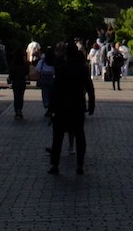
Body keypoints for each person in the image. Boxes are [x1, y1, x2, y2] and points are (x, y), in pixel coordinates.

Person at [47, 39, 95, 174]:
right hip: (77, 106)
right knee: (80, 135)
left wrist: (51, 107)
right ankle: (80, 164)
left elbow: (55, 88)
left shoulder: (61, 68)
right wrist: (91, 104)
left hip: (61, 106)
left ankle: (55, 165)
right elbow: (89, 87)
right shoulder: (82, 69)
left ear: (66, 54)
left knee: (58, 137)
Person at [7, 43, 28, 119]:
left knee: (16, 96)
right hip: (22, 81)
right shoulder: (24, 64)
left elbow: (11, 72)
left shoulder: (13, 63)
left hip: (15, 81)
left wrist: (10, 79)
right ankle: (20, 109)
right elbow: (26, 71)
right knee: (21, 96)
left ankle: (16, 110)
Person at [37, 46, 56, 117]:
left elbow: (38, 69)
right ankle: (51, 108)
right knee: (52, 93)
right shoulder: (54, 60)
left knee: (45, 93)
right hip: (52, 77)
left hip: (44, 77)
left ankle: (47, 106)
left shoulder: (43, 61)